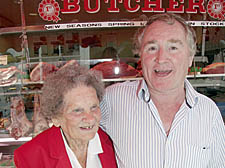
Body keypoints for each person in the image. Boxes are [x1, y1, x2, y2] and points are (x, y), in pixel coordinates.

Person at [100, 13, 225, 168]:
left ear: (190, 56)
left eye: (173, 48)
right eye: (152, 48)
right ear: (141, 56)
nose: (161, 58)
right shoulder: (112, 100)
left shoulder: (209, 112)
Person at [14, 64, 117, 168]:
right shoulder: (31, 157)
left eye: (94, 107)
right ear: (56, 118)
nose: (90, 119)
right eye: (77, 110)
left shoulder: (111, 142)